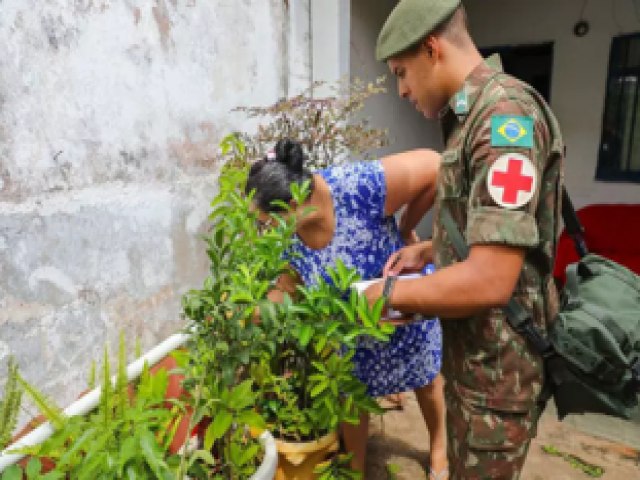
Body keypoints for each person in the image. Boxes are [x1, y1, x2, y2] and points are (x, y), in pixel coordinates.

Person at [365, 1, 565, 479]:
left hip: (497, 376)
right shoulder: (470, 117)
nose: (403, 90)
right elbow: (497, 234)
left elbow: (493, 278)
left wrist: (386, 296)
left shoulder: (503, 120)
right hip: (472, 361)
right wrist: (430, 250)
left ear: (432, 49)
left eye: (402, 72)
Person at [246, 139, 448, 478]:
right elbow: (287, 290)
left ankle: (440, 446)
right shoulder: (287, 242)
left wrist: (407, 228)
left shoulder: (358, 186)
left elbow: (434, 165)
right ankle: (355, 467)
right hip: (352, 328)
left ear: (294, 204)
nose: (265, 231)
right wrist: (249, 315)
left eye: (269, 221)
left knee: (426, 379)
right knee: (353, 394)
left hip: (400, 305)